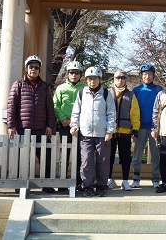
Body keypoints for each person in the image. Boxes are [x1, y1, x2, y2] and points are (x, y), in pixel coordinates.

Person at [7, 55, 56, 194]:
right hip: (23, 128)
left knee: (45, 158)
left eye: (36, 67)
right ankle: (20, 185)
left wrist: (50, 126)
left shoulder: (45, 87)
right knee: (22, 158)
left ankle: (46, 185)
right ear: (26, 68)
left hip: (41, 129)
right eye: (31, 67)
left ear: (39, 70)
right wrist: (11, 126)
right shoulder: (18, 84)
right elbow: (11, 106)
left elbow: (50, 109)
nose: (33, 69)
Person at [70, 66, 116, 197]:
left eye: (95, 79)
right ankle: (87, 186)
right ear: (86, 80)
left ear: (99, 79)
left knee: (103, 161)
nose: (92, 81)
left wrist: (110, 130)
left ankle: (102, 186)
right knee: (86, 161)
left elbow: (111, 113)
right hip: (85, 134)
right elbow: (76, 111)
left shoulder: (106, 94)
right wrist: (74, 125)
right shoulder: (81, 93)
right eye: (90, 79)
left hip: (102, 134)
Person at [53, 60, 85, 191]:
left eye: (77, 73)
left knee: (80, 155)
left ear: (80, 74)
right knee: (64, 154)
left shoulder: (85, 88)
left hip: (81, 126)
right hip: (65, 125)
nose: (74, 75)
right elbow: (56, 105)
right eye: (71, 72)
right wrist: (63, 119)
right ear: (67, 73)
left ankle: (78, 182)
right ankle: (62, 183)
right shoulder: (61, 88)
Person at [107, 70, 140, 191]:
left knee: (125, 157)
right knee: (108, 156)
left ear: (126, 79)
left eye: (123, 77)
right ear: (113, 79)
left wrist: (135, 128)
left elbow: (135, 112)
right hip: (110, 131)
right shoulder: (107, 93)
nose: (120, 80)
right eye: (117, 77)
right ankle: (108, 179)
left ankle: (125, 180)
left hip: (125, 131)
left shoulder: (131, 95)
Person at [131, 63, 162, 189]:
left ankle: (155, 179)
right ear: (141, 76)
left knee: (156, 155)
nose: (147, 76)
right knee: (137, 154)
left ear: (153, 76)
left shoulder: (159, 90)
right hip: (140, 127)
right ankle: (136, 178)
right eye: (144, 74)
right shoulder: (136, 90)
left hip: (154, 127)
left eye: (150, 74)